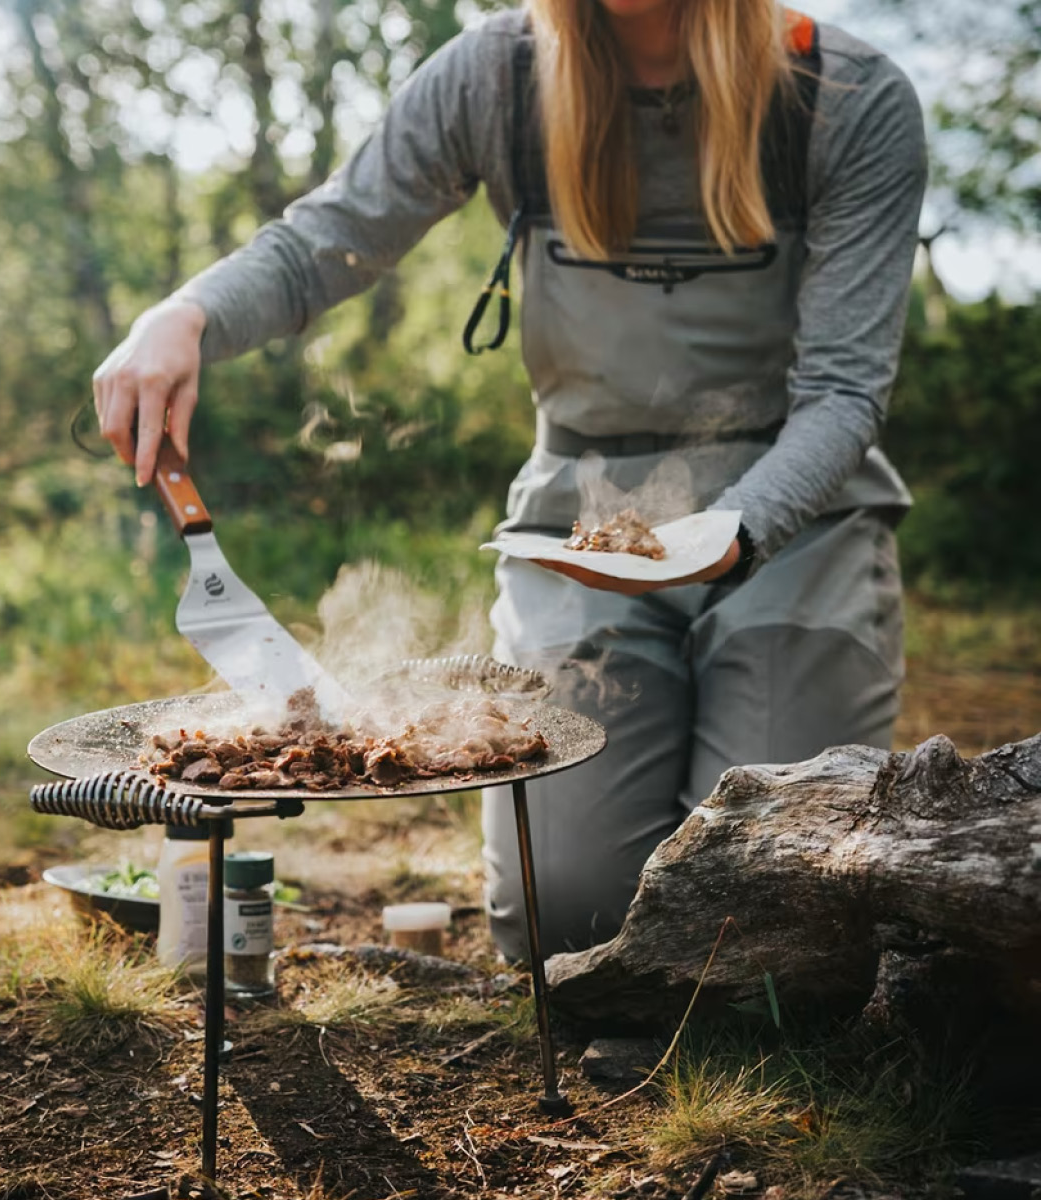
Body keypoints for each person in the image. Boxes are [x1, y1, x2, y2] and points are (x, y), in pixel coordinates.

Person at [93, 0, 927, 961]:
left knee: (765, 903)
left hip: (802, 523)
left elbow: (844, 394)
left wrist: (725, 533)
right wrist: (187, 314)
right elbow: (329, 239)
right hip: (580, 520)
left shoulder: (846, 95)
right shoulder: (497, 74)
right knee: (560, 922)